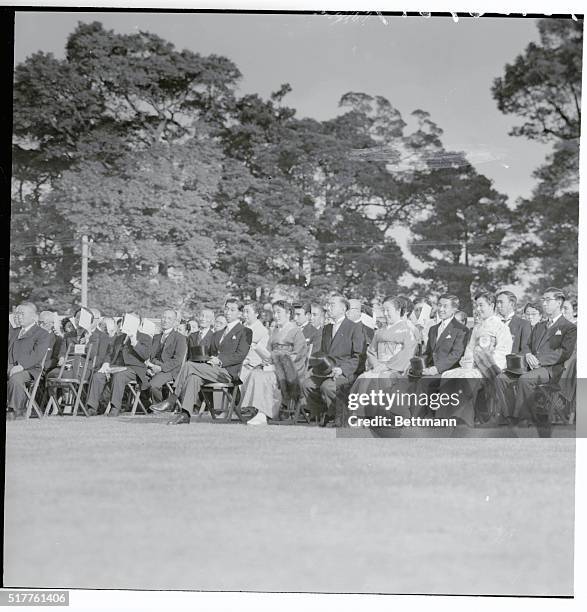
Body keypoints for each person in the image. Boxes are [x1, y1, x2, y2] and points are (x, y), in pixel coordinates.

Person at [154, 299, 252, 425]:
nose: (228, 312)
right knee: (193, 377)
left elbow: (240, 355)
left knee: (189, 365)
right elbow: (210, 353)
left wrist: (220, 360)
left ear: (240, 313)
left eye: (232, 310)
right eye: (226, 308)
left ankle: (172, 400)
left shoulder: (245, 331)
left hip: (228, 374)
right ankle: (185, 414)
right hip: (212, 371)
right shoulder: (218, 333)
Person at [496, 287, 577, 427]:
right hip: (529, 366)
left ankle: (525, 418)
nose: (544, 303)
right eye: (543, 300)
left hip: (552, 370)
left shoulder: (569, 327)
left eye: (547, 300)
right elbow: (527, 346)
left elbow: (564, 352)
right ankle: (509, 416)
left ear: (559, 302)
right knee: (501, 378)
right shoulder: (539, 326)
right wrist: (527, 354)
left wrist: (539, 361)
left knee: (525, 379)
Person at [437, 292, 512, 426]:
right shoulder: (477, 327)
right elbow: (470, 349)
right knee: (448, 374)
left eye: (481, 305)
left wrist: (482, 362)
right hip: (474, 365)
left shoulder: (502, 327)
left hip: (489, 368)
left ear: (492, 305)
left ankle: (463, 420)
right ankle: (444, 418)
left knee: (466, 378)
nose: (478, 309)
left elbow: (503, 353)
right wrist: (468, 360)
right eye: (476, 306)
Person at [241, 300, 307, 426]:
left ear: (288, 313)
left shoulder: (297, 332)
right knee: (255, 373)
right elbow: (268, 351)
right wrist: (266, 359)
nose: (276, 316)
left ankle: (263, 413)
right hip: (274, 366)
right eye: (274, 312)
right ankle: (256, 410)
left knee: (267, 377)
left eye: (279, 312)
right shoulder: (275, 331)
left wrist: (276, 361)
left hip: (289, 372)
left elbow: (297, 356)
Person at [303, 295, 364, 427]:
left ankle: (339, 416)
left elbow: (358, 356)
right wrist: (318, 369)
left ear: (343, 308)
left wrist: (342, 370)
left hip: (345, 372)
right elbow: (324, 354)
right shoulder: (327, 328)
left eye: (332, 305)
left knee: (328, 387)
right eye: (328, 305)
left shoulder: (354, 327)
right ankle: (320, 415)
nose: (328, 308)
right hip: (326, 371)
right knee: (307, 384)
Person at [85, 316, 152, 417]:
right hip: (116, 366)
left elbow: (145, 355)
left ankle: (115, 407)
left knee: (119, 376)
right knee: (98, 375)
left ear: (138, 324)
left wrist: (134, 341)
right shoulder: (119, 338)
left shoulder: (145, 337)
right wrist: (106, 363)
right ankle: (93, 407)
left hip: (134, 369)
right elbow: (110, 353)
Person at [7, 302, 51, 419]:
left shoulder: (42, 334)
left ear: (33, 316)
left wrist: (21, 366)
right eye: (17, 314)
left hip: (30, 369)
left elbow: (37, 354)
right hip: (11, 365)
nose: (18, 316)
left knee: (15, 379)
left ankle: (16, 411)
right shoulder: (14, 332)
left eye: (22, 314)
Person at [144, 309, 188, 405]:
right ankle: (144, 406)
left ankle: (159, 407)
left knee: (153, 385)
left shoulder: (180, 338)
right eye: (163, 317)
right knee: (139, 378)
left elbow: (177, 360)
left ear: (175, 322)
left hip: (170, 370)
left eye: (169, 318)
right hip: (153, 368)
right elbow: (151, 356)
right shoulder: (156, 337)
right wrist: (150, 367)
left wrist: (160, 368)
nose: (165, 320)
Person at [422, 294, 468, 376]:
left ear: (454, 309)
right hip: (429, 370)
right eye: (439, 305)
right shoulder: (433, 329)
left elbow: (456, 355)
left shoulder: (461, 330)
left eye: (445, 306)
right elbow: (428, 353)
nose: (440, 309)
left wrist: (437, 369)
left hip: (448, 373)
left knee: (422, 384)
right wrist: (417, 364)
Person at [240, 302, 269, 383]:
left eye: (247, 312)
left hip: (251, 368)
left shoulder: (261, 330)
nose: (244, 314)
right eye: (243, 311)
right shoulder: (242, 327)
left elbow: (259, 356)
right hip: (239, 365)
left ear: (256, 314)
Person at [495, 290, 531, 356]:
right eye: (497, 303)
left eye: (501, 302)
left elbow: (525, 350)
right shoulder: (493, 323)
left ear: (512, 304)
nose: (498, 305)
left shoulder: (524, 324)